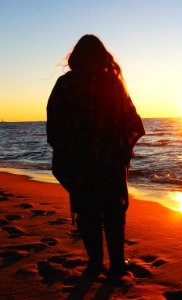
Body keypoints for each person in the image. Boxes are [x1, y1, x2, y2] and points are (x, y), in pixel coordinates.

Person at [46, 34, 145, 278]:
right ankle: (117, 265)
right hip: (110, 161)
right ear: (103, 56)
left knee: (86, 210)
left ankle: (94, 263)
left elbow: (55, 126)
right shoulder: (112, 83)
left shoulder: (65, 84)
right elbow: (131, 122)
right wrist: (121, 151)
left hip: (78, 163)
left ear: (75, 58)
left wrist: (69, 151)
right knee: (113, 211)